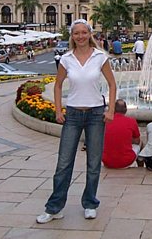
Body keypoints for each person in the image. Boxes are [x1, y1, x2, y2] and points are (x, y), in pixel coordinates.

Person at [37, 19, 116, 224]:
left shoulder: (100, 57)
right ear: (71, 36)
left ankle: (90, 203)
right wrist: (57, 110)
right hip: (72, 114)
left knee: (93, 163)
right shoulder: (66, 59)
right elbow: (57, 86)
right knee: (64, 163)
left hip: (96, 114)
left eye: (83, 32)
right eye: (76, 33)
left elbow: (112, 84)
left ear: (89, 34)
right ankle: (54, 207)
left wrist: (111, 110)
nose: (80, 36)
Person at [102, 99, 142, 168]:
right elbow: (137, 141)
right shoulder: (131, 121)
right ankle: (140, 167)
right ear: (126, 110)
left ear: (113, 109)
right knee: (141, 143)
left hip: (107, 161)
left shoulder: (106, 121)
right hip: (126, 161)